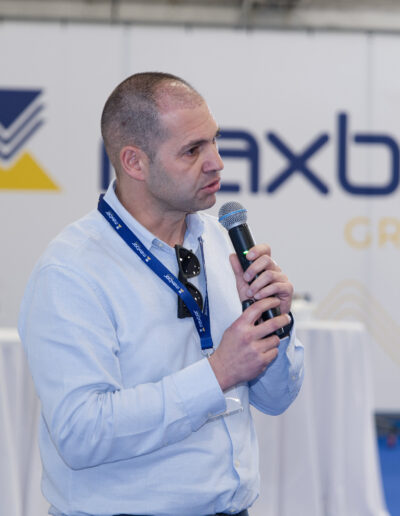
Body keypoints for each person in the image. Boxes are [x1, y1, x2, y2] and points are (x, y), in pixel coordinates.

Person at [19, 72, 304, 516]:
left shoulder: (220, 242)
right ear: (135, 162)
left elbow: (275, 399)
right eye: (193, 150)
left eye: (215, 141)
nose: (217, 162)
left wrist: (275, 328)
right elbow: (80, 434)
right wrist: (217, 373)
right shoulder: (71, 271)